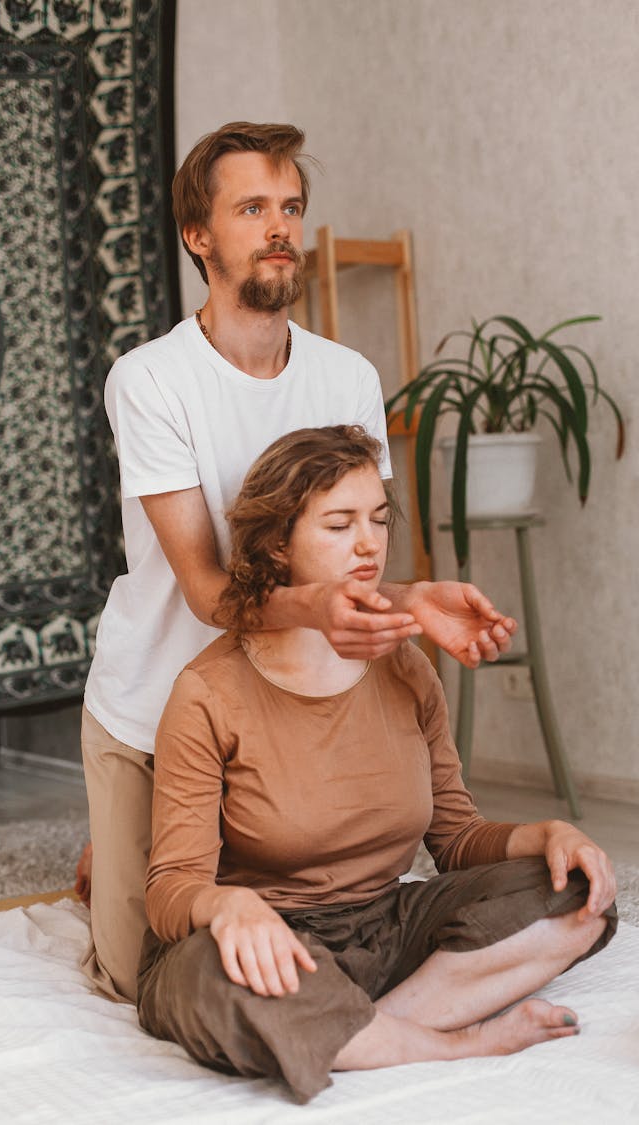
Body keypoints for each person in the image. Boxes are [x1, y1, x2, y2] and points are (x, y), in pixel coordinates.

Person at [78, 121, 519, 1003]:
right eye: (252, 208)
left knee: (298, 904)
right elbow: (209, 591)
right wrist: (327, 608)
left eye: (291, 207)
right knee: (140, 973)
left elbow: (349, 552)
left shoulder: (347, 373)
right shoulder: (150, 379)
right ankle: (109, 858)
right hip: (161, 694)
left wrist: (412, 598)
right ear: (199, 236)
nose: (280, 227)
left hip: (283, 690)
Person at [137, 425, 617, 1103]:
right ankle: (449, 1040)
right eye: (339, 524)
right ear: (279, 543)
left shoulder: (405, 667)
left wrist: (547, 835)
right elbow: (168, 890)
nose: (369, 542)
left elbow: (454, 839)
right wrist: (228, 905)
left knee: (578, 897)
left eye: (379, 519)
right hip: (269, 937)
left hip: (385, 923)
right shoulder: (207, 693)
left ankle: (351, 1030)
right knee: (216, 974)